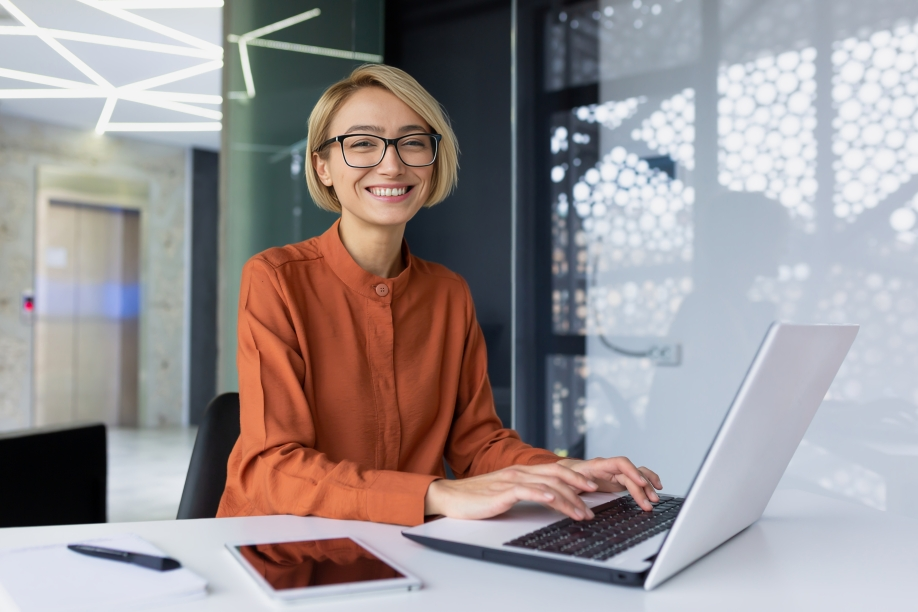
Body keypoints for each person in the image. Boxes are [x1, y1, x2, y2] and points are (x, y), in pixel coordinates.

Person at [217, 64, 662, 526]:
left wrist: (565, 471)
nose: (392, 164)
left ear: (433, 160)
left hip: (410, 550)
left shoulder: (448, 293)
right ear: (322, 166)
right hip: (283, 550)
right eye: (363, 143)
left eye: (412, 142)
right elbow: (274, 467)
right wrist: (436, 493)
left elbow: (478, 444)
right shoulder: (275, 279)